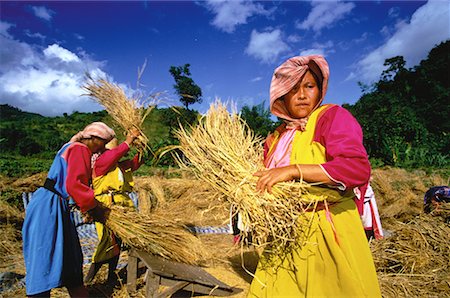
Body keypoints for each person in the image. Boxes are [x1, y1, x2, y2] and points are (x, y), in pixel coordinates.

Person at [248, 55, 381, 297]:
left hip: (330, 229)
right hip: (286, 234)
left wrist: (293, 170)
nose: (301, 95)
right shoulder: (276, 137)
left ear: (320, 90)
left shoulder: (332, 118)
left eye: (309, 86)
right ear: (281, 95)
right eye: (293, 88)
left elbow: (356, 168)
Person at [22, 122, 115, 297]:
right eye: (103, 144)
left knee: (71, 256)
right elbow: (75, 185)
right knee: (44, 255)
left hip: (55, 205)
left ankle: (77, 289)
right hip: (48, 208)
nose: (101, 150)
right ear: (94, 139)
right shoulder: (80, 149)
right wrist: (94, 209)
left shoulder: (71, 146)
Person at [84, 128, 143, 284]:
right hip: (106, 207)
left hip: (122, 206)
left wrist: (142, 146)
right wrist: (129, 140)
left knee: (117, 242)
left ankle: (111, 276)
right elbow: (113, 155)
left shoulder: (119, 166)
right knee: (107, 241)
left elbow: (136, 163)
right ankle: (88, 279)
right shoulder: (100, 163)